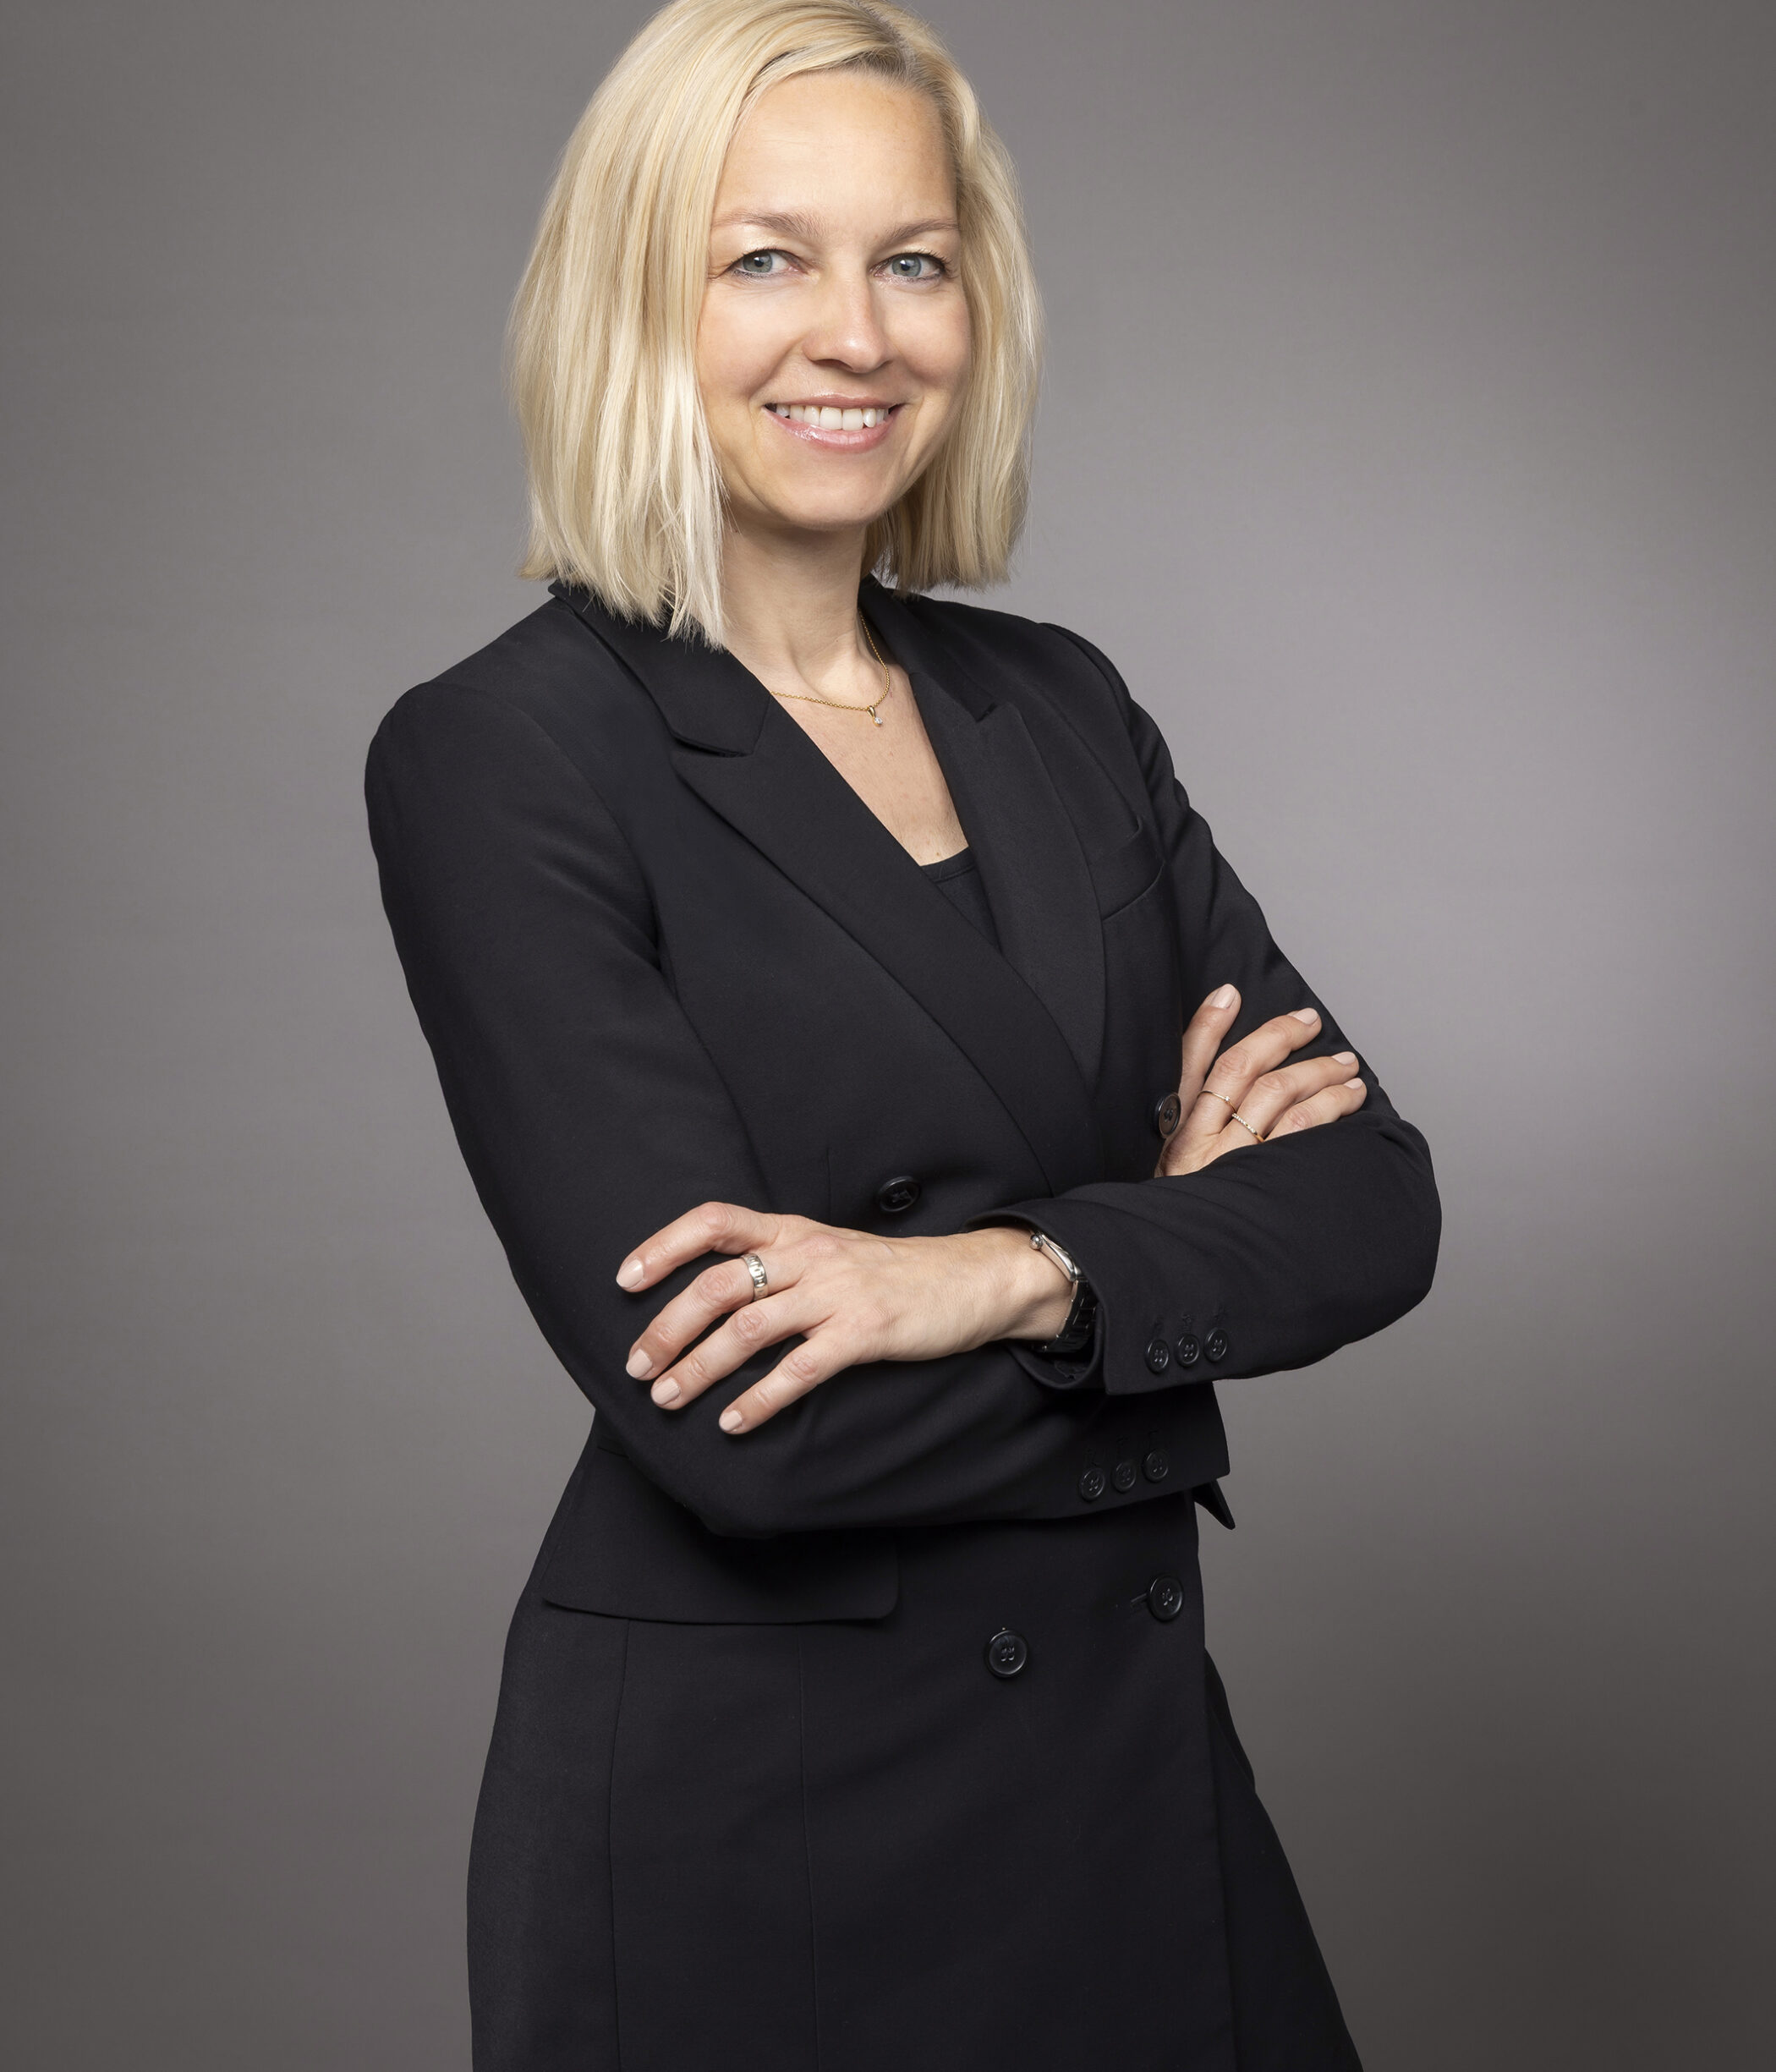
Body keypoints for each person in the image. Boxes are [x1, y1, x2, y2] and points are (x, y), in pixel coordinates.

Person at [365, 3, 1440, 2065]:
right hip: (767, 1824)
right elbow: (753, 1426)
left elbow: (1372, 1202)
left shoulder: (1057, 705)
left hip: (1128, 1767)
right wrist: (1161, 1258)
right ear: (636, 296)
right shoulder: (511, 755)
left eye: (912, 258)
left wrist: (995, 1273)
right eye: (764, 255)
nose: (853, 330)